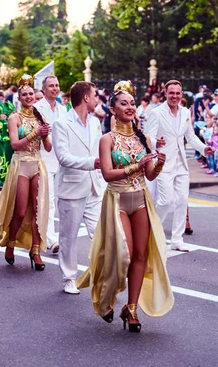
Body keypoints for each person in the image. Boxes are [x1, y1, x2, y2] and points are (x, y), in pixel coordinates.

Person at [77, 80, 174, 333]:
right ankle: (106, 297)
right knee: (124, 255)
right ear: (113, 109)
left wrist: (158, 163)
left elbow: (150, 175)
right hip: (117, 200)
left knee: (141, 255)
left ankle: (131, 308)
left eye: (132, 103)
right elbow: (108, 174)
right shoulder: (106, 139)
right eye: (124, 103)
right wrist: (137, 165)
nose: (130, 107)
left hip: (140, 198)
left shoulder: (145, 139)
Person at [0, 75, 52, 270]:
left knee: (36, 210)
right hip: (21, 165)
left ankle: (35, 250)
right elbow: (15, 144)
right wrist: (35, 133)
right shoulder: (14, 118)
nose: (28, 97)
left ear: (35, 96)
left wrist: (46, 136)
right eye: (24, 94)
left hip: (37, 164)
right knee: (19, 210)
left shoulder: (40, 117)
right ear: (19, 97)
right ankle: (10, 243)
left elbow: (48, 148)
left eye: (30, 94)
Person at [144, 80, 214, 252]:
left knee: (182, 201)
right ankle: (152, 234)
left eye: (178, 93)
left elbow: (190, 137)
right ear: (165, 93)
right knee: (166, 201)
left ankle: (177, 239)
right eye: (171, 93)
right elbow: (147, 137)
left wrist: (204, 148)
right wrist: (156, 142)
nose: (175, 96)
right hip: (163, 163)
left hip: (181, 164)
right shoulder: (157, 113)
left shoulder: (185, 112)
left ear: (181, 94)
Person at [53, 81, 106, 295]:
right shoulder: (61, 123)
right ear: (85, 98)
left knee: (101, 234)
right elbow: (63, 157)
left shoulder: (95, 123)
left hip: (95, 186)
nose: (96, 99)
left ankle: (102, 274)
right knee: (69, 236)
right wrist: (92, 162)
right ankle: (68, 277)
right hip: (72, 188)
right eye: (94, 95)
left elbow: (101, 148)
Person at [34, 75, 68, 253]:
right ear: (44, 89)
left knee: (60, 201)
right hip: (43, 158)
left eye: (57, 85)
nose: (55, 88)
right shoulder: (37, 108)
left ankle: (53, 236)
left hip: (62, 160)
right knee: (48, 201)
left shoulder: (63, 109)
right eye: (51, 86)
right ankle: (50, 239)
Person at [0, 99, 15, 191]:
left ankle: (7, 179)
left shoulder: (13, 122)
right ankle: (2, 181)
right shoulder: (1, 123)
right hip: (2, 144)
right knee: (4, 162)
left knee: (11, 163)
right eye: (2, 113)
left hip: (11, 145)